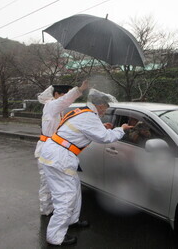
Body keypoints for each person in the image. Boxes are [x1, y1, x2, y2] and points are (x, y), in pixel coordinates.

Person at [38, 89, 133, 246]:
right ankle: (55, 237)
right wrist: (120, 129)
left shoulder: (82, 112)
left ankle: (72, 220)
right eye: (106, 108)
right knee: (65, 198)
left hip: (56, 154)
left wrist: (102, 127)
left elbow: (84, 129)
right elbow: (105, 138)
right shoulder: (89, 116)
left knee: (74, 189)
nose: (106, 111)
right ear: (100, 105)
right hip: (60, 157)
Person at [34, 81, 89, 217]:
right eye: (66, 93)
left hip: (56, 150)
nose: (67, 96)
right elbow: (65, 101)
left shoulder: (57, 110)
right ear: (56, 94)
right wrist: (79, 90)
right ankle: (46, 210)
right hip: (47, 150)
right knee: (47, 183)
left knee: (59, 183)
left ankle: (57, 210)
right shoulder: (51, 105)